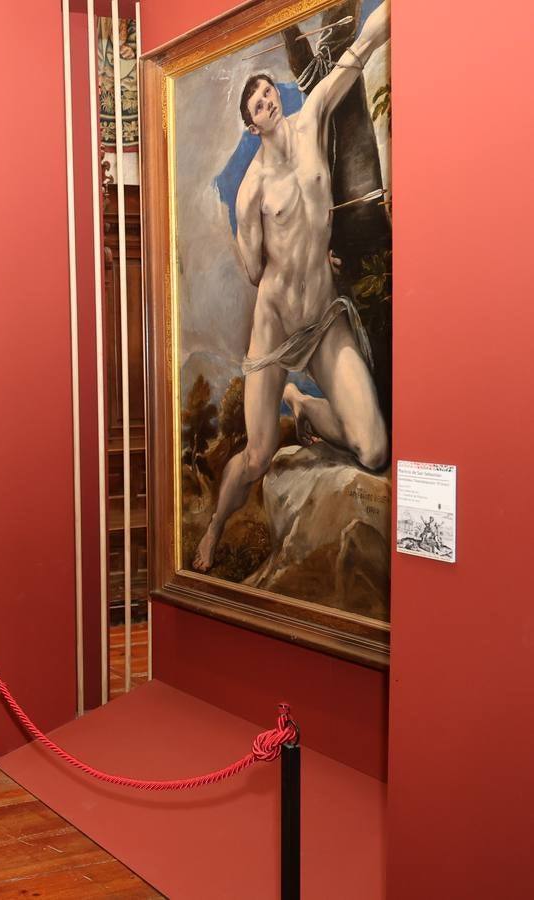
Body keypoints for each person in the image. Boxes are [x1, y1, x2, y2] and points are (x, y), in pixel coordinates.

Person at [193, 4, 389, 572]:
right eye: (256, 101)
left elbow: (359, 52)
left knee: (374, 448)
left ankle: (302, 403)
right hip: (278, 327)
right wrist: (234, 229)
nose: (267, 99)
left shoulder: (313, 119)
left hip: (324, 317)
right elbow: (254, 273)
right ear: (251, 123)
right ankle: (213, 530)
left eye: (268, 91)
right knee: (256, 456)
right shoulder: (251, 188)